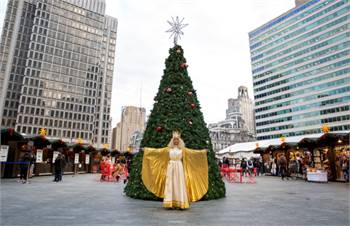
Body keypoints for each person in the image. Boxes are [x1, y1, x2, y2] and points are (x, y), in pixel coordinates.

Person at [142, 131, 208, 210]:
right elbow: (157, 151)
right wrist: (147, 150)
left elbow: (193, 153)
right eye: (174, 140)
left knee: (179, 183)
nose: (176, 141)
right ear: (172, 140)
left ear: (179, 141)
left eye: (177, 140)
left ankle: (180, 202)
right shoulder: (168, 149)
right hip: (171, 168)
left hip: (179, 167)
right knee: (170, 184)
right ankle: (170, 203)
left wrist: (203, 152)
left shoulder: (183, 150)